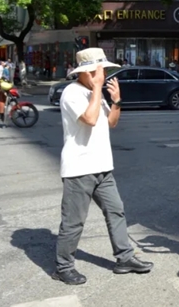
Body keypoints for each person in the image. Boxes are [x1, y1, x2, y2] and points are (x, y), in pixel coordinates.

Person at [52, 48, 153, 285]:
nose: (103, 75)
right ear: (84, 72)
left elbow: (110, 122)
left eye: (104, 71)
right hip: (79, 168)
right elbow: (89, 119)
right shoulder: (72, 92)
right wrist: (97, 88)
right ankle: (63, 267)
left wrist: (116, 101)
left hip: (102, 166)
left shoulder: (93, 92)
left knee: (116, 211)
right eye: (98, 71)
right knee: (74, 221)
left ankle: (124, 258)